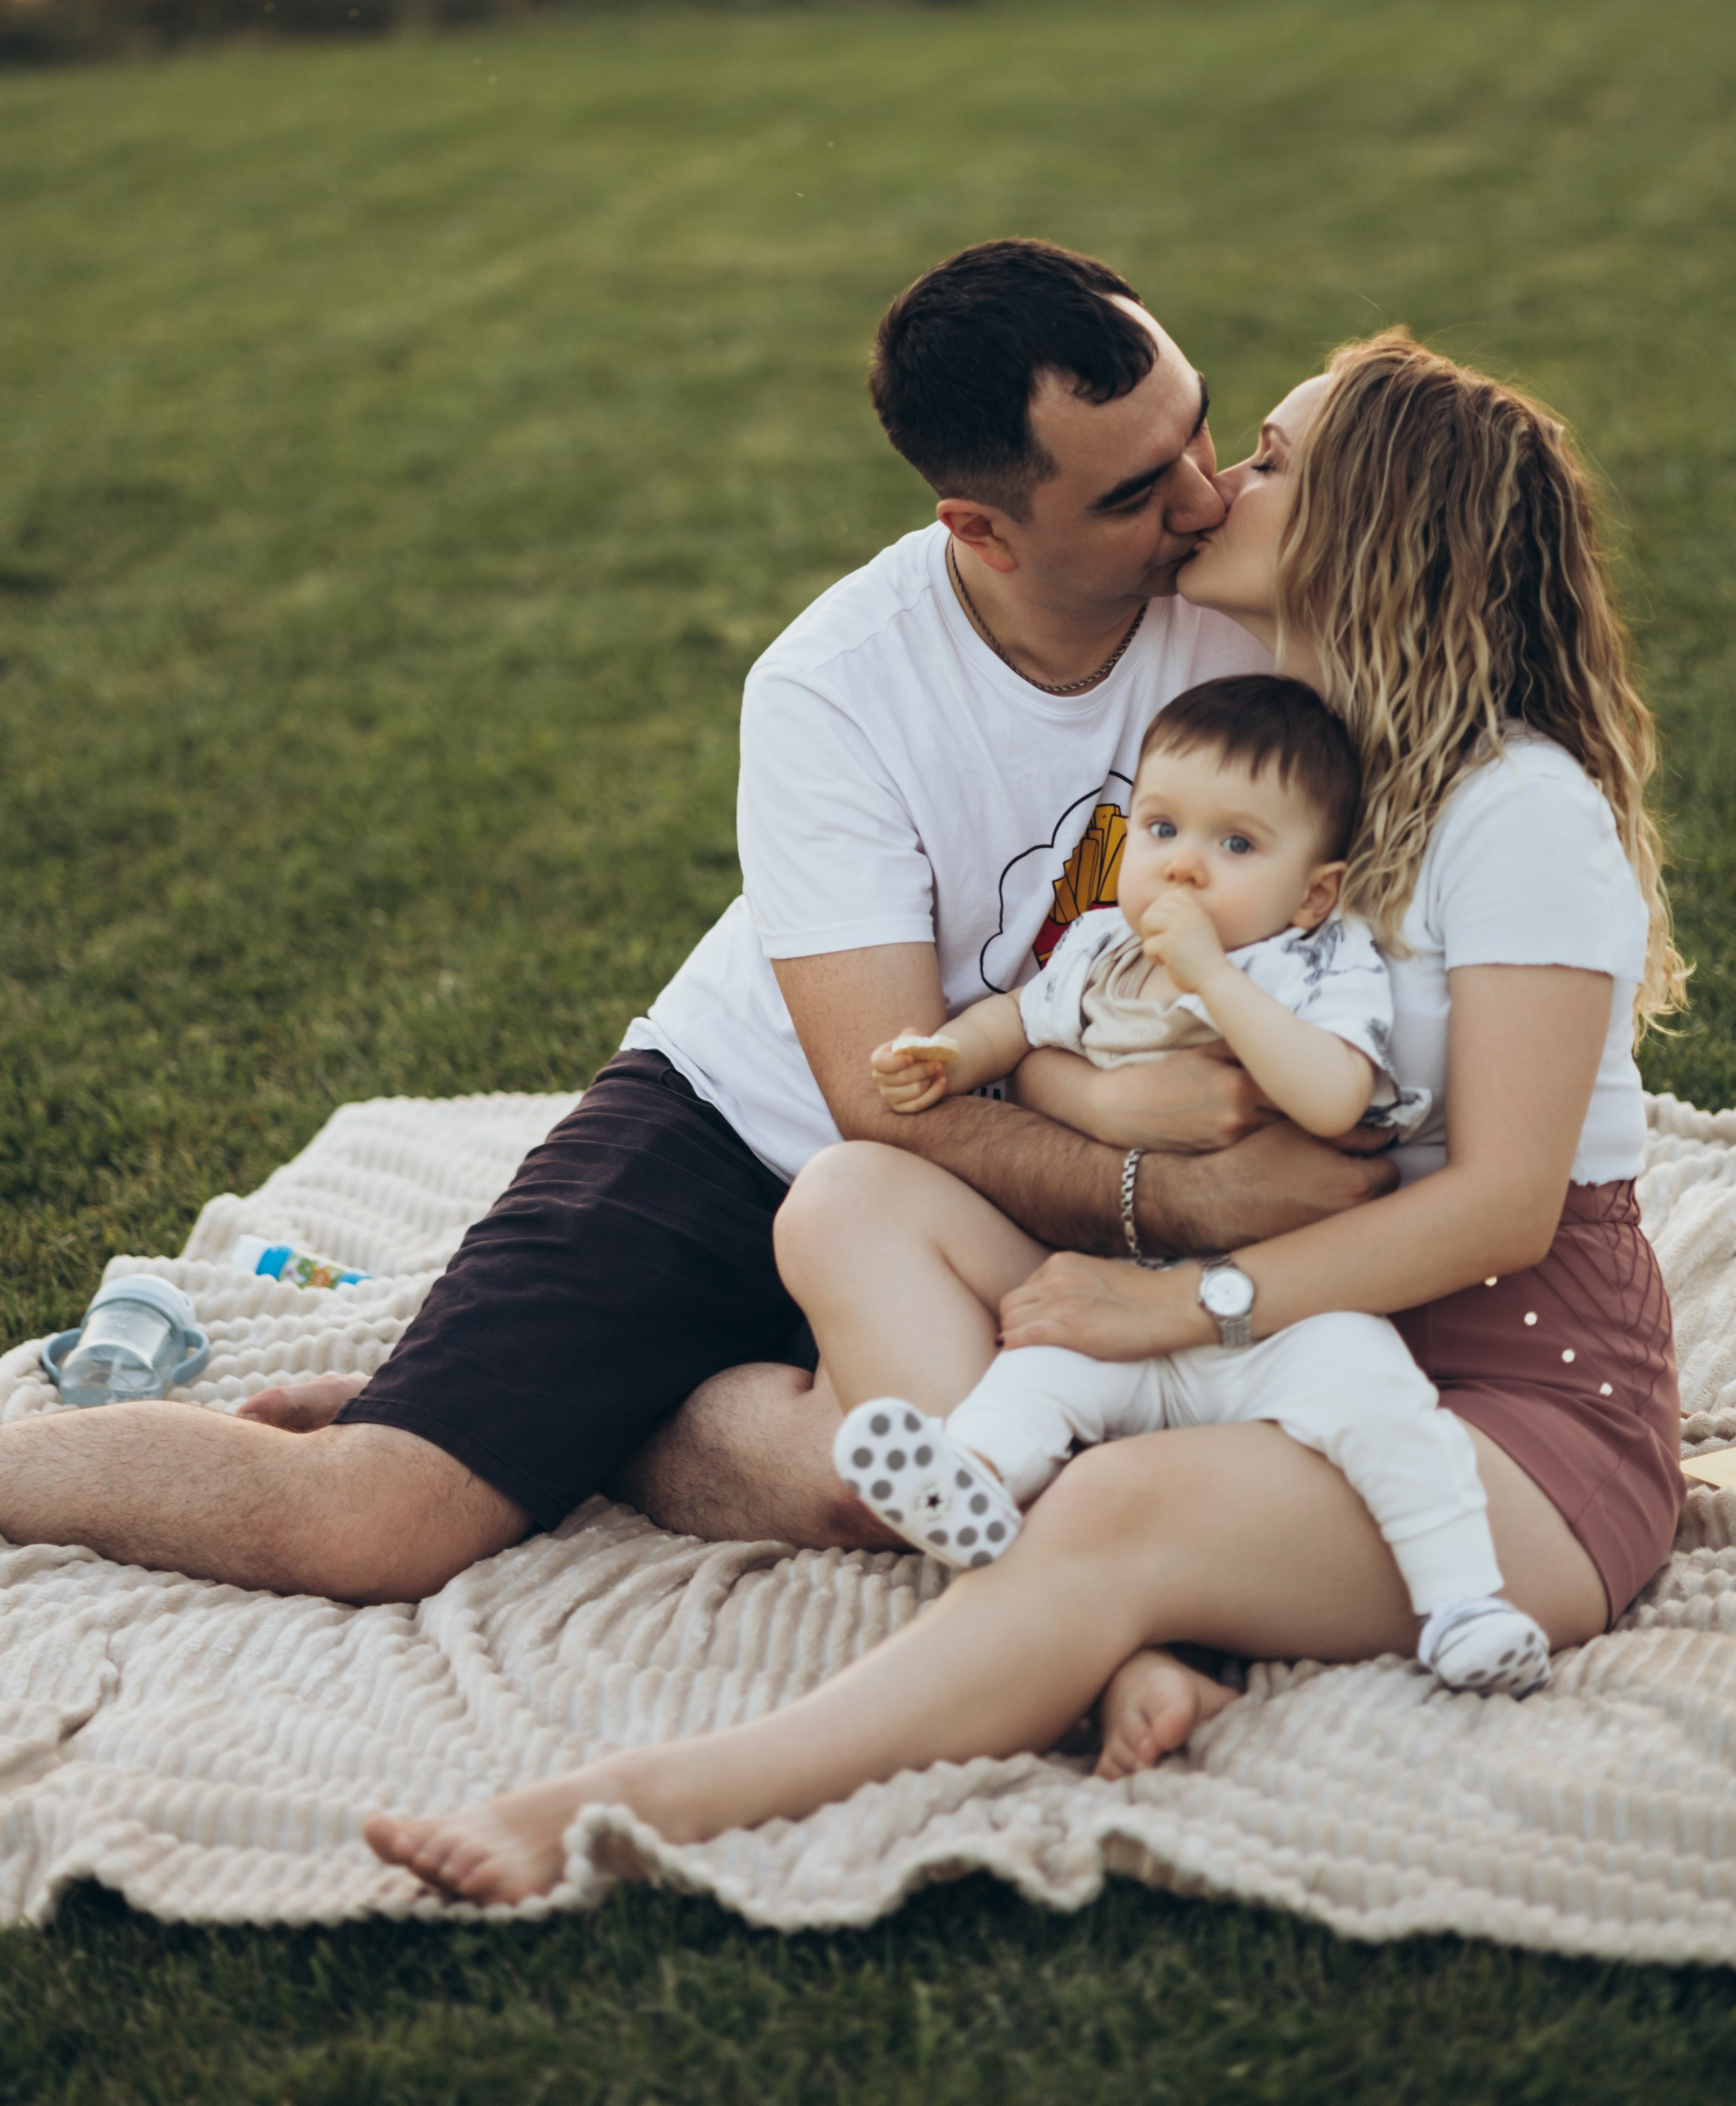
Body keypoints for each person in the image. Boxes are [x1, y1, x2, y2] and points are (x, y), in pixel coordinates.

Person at [366, 327, 1686, 1906]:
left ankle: (651, 1795)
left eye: (1268, 460)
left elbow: (1501, 1211)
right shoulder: (1316, 766)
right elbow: (1102, 1005)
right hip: (1299, 1338)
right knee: (850, 1197)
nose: (1217, 487)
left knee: (1111, 1500)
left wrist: (1168, 1304)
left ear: (1377, 529)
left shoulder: (1512, 807)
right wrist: (1092, 1111)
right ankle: (1106, 1635)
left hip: (1505, 1414)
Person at [0, 242, 1386, 1600]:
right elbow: (878, 1097)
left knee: (919, 1488)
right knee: (372, 1522)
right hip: (740, 1132)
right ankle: (534, 1416)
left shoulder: (1245, 610)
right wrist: (1181, 1195)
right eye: (1136, 493)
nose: (1204, 501)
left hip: (1005, 1169)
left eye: (1201, 431)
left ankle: (603, 1417)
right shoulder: (834, 686)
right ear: (980, 529)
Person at [832, 672, 1551, 1698]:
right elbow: (1021, 1020)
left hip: (1284, 1317)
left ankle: (1464, 1604)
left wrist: (1215, 978)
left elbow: (1333, 1097)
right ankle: (970, 1484)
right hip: (1122, 1296)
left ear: (1313, 892)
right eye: (1162, 828)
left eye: (1237, 845)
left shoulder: (1316, 963)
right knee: (1034, 1376)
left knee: (1382, 1405)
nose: (1184, 866)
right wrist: (947, 1055)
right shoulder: (1100, 947)